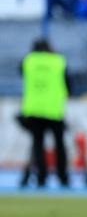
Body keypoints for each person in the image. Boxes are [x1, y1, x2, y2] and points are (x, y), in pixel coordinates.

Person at [20, 39, 70, 188]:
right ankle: (63, 178)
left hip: (34, 110)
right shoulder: (58, 61)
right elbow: (68, 84)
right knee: (60, 145)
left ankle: (42, 178)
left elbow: (22, 74)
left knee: (38, 145)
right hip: (54, 109)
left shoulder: (28, 61)